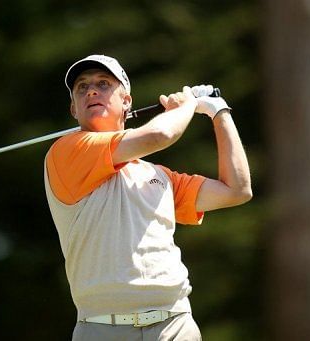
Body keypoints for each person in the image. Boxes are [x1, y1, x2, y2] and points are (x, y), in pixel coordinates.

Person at [44, 54, 252, 340]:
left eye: (104, 84)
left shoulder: (160, 176)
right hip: (102, 328)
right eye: (82, 87)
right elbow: (160, 135)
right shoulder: (66, 152)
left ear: (127, 101)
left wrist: (219, 113)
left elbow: (236, 190)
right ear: (73, 109)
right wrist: (189, 105)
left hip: (175, 324)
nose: (91, 90)